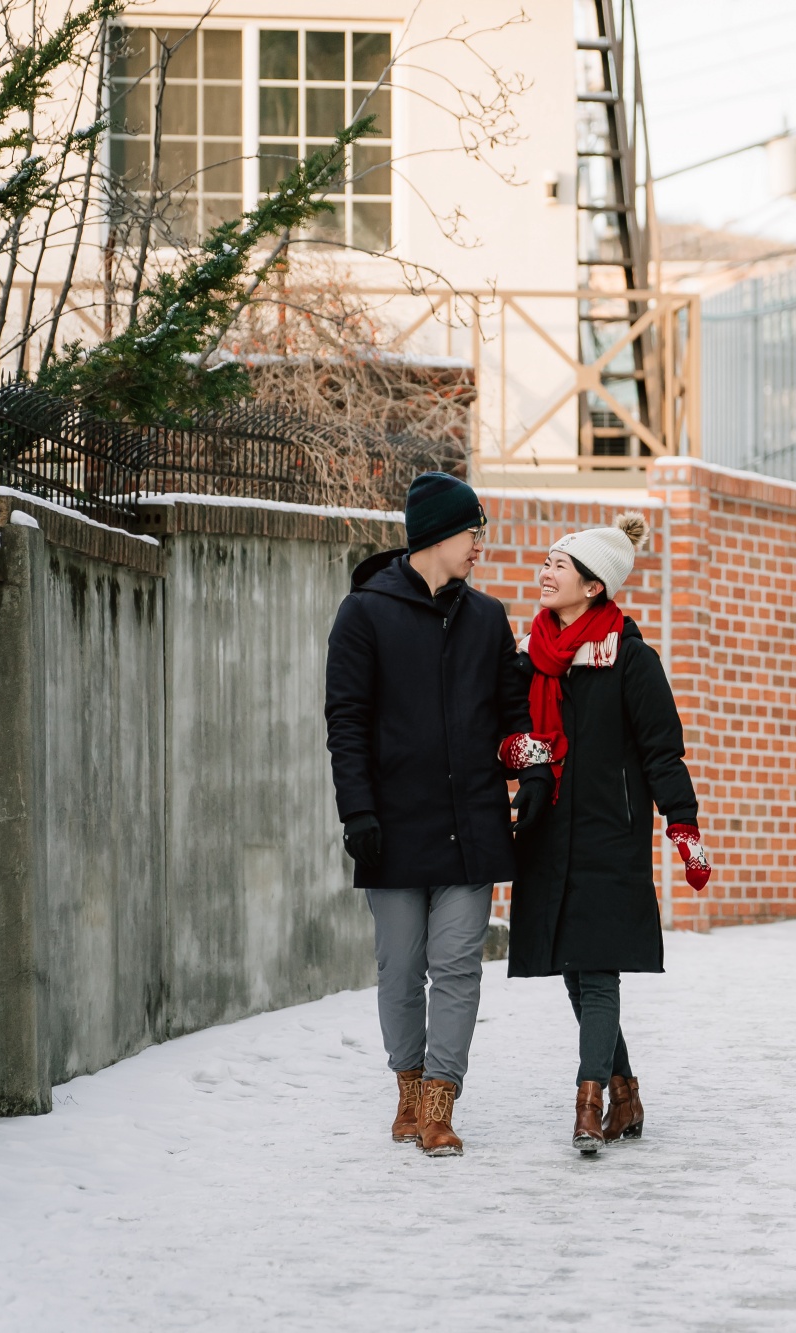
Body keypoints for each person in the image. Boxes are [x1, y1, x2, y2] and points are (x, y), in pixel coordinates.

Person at [323, 471, 551, 1158]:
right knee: (401, 965)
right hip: (391, 825)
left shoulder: (486, 617)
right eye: (472, 531)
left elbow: (513, 714)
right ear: (436, 535)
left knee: (458, 963)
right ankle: (408, 1085)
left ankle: (439, 1102)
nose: (480, 544)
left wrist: (533, 763)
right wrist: (357, 809)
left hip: (473, 821)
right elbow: (347, 720)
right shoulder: (363, 613)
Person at [504, 513, 712, 1155]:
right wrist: (523, 759)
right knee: (574, 969)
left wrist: (683, 827)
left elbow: (662, 752)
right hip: (548, 832)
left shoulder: (631, 659)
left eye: (559, 566)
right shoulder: (533, 658)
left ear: (594, 586)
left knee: (597, 973)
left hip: (608, 835)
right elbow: (517, 740)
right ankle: (625, 1096)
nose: (545, 573)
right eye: (545, 562)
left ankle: (588, 1105)